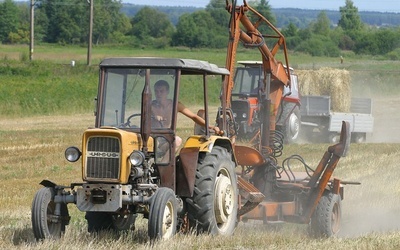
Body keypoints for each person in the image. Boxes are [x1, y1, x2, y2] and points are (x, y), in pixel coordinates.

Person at [151, 80, 221, 148]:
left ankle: (165, 160)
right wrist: (153, 116)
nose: (158, 94)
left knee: (177, 141)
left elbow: (194, 117)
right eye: (156, 91)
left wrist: (210, 127)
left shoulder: (175, 105)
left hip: (166, 138)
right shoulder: (150, 106)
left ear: (167, 92)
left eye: (161, 91)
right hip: (151, 137)